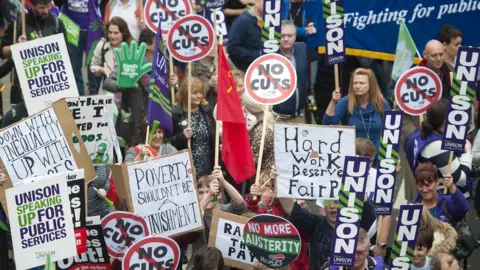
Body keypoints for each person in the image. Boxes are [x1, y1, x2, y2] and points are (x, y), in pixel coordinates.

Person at [278, 192, 376, 268]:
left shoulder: (355, 227)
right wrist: (280, 178)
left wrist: (359, 191)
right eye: (328, 202)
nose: (332, 206)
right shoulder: (315, 223)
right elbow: (290, 207)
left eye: (337, 202)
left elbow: (370, 216)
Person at [0, 0, 66, 104]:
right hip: (21, 87)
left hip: (50, 87)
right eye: (41, 7)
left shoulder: (57, 24)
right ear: (32, 6)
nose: (45, 11)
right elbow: (2, 52)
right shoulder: (19, 23)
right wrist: (16, 47)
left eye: (48, 6)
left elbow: (67, 56)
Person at [404, 99, 473, 197]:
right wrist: (468, 153)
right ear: (445, 122)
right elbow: (460, 179)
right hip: (446, 201)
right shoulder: (438, 146)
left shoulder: (425, 134)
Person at [97, 18, 147, 147]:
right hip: (124, 117)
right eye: (110, 32)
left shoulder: (143, 64)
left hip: (144, 119)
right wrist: (121, 84)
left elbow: (155, 86)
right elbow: (108, 82)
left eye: (116, 33)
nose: (112, 36)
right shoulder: (125, 65)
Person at [248, 168, 309, 270]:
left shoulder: (298, 204)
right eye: (260, 183)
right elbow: (251, 223)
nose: (260, 187)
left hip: (293, 262)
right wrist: (260, 202)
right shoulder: (260, 202)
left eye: (264, 184)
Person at [323, 68, 390, 151]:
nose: (357, 86)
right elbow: (327, 124)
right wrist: (333, 101)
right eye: (355, 83)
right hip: (352, 154)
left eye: (362, 83)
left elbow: (389, 133)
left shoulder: (382, 103)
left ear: (371, 85)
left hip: (377, 156)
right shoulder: (346, 102)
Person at [170, 77, 215, 178]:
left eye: (201, 92)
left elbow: (214, 136)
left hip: (207, 166)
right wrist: (181, 136)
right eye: (195, 93)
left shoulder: (207, 111)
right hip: (185, 168)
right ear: (186, 94)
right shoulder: (175, 114)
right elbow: (167, 141)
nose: (199, 96)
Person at [61, 0, 102, 96]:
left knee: (94, 61)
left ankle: (94, 92)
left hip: (92, 28)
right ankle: (78, 94)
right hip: (71, 29)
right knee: (74, 64)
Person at [273, 20, 308, 123]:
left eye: (290, 35)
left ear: (295, 36)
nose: (286, 39)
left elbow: (315, 41)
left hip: (299, 114)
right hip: (277, 117)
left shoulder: (302, 48)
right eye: (282, 36)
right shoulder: (270, 55)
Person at [320, 228, 384, 270]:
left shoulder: (381, 268)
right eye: (351, 251)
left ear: (368, 250)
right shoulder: (329, 268)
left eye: (360, 252)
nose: (355, 256)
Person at [242, 92, 275, 172]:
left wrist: (232, 152)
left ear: (250, 109)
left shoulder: (262, 131)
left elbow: (251, 162)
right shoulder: (269, 121)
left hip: (263, 178)